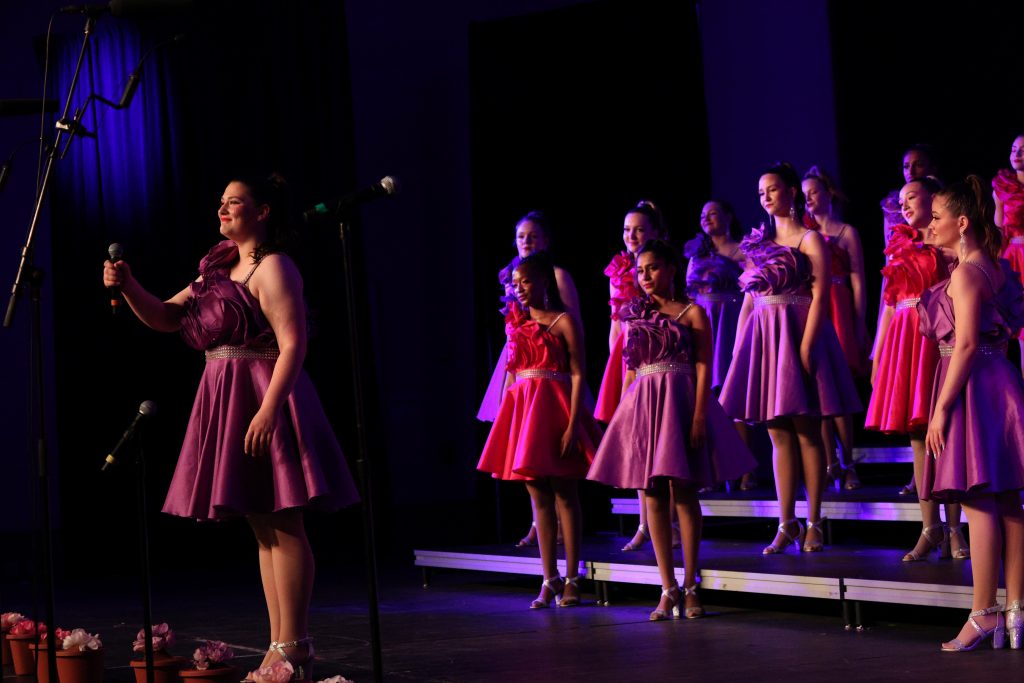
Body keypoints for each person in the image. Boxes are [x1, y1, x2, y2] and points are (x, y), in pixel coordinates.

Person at [103, 173, 359, 681]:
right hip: (225, 392)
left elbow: (293, 345)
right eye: (221, 203)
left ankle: (296, 643)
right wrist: (129, 285)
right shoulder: (218, 266)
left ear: (263, 212)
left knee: (283, 520)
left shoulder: (274, 268)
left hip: (263, 393)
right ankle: (280, 642)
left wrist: (267, 409)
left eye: (234, 203)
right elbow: (168, 317)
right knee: (262, 525)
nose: (222, 211)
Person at [588, 239, 755, 620]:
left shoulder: (693, 313)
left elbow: (702, 368)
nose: (645, 276)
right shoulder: (633, 315)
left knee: (684, 492)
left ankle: (692, 584)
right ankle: (667, 588)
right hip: (643, 405)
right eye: (640, 270)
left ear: (671, 269)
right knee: (652, 495)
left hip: (680, 403)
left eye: (653, 268)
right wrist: (623, 418)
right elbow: (629, 372)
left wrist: (698, 415)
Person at [719, 162, 862, 555]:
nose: (766, 196)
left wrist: (806, 346)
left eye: (773, 189)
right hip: (764, 337)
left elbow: (819, 298)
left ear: (792, 192)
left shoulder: (810, 240)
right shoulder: (757, 244)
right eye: (761, 191)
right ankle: (787, 523)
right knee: (777, 435)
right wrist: (738, 349)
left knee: (807, 433)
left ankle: (815, 520)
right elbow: (750, 296)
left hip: (799, 331)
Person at [918, 176, 1024, 651]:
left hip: (973, 384)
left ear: (962, 223)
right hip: (1000, 380)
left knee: (978, 499)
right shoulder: (999, 269)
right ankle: (1016, 611)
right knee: (1007, 502)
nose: (930, 225)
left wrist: (940, 409)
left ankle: (983, 614)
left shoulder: (965, 274)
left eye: (937, 217)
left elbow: (962, 344)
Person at [476, 252, 601, 609]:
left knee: (566, 494)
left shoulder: (564, 322)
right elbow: (512, 373)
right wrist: (506, 420)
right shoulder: (515, 323)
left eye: (526, 282)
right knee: (538, 499)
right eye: (515, 285)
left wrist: (575, 421)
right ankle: (549, 579)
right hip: (525, 413)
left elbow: (578, 373)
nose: (519, 290)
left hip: (556, 409)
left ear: (545, 280)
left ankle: (573, 578)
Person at [866, 177, 966, 561]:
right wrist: (878, 354)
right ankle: (930, 528)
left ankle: (956, 527)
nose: (905, 204)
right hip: (905, 342)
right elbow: (889, 304)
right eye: (902, 198)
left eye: (914, 197)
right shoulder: (898, 242)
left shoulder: (946, 243)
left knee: (947, 433)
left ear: (932, 199)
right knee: (917, 435)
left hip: (937, 338)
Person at [477, 211, 582, 547]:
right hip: (521, 365)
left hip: (552, 368)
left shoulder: (557, 276)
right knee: (523, 451)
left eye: (534, 236)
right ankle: (538, 522)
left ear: (546, 241)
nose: (527, 242)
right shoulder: (513, 277)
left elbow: (570, 323)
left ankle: (561, 529)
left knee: (552, 457)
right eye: (522, 236)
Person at [593, 200, 674, 550]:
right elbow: (615, 321)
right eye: (627, 230)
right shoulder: (619, 269)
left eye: (639, 229)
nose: (631, 235)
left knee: (663, 443)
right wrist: (617, 355)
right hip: (627, 352)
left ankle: (665, 521)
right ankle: (644, 523)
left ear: (654, 232)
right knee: (640, 443)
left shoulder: (658, 266)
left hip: (656, 350)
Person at [683, 200, 758, 491]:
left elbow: (751, 284)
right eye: (703, 214)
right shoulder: (695, 254)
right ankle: (711, 471)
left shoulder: (742, 249)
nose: (707, 218)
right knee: (707, 398)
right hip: (703, 324)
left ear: (728, 216)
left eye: (713, 212)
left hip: (729, 320)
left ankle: (747, 470)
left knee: (733, 396)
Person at [802, 167, 866, 490]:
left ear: (828, 192)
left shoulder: (845, 231)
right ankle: (829, 463)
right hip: (816, 306)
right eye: (804, 194)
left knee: (839, 391)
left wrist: (858, 322)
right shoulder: (802, 232)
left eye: (813, 192)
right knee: (819, 391)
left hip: (838, 306)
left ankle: (848, 461)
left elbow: (858, 280)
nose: (808, 198)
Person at [992, 133, 1024, 371]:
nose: (1017, 154)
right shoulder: (1003, 186)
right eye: (1014, 149)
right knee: (1004, 324)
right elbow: (998, 228)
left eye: (1023, 149)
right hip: (1013, 257)